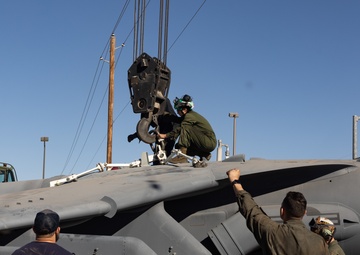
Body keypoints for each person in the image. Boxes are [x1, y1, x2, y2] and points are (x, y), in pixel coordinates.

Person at [226, 168, 330, 255]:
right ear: (305, 212)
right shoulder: (320, 242)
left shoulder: (272, 232)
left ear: (282, 211)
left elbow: (252, 211)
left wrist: (235, 181)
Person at [157, 94, 216, 163]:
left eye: (178, 110)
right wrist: (167, 116)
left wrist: (165, 135)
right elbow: (179, 120)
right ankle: (204, 154)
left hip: (209, 142)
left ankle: (182, 157)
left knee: (185, 128)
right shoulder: (189, 116)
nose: (177, 113)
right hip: (206, 142)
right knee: (178, 146)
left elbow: (180, 128)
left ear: (184, 110)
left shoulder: (189, 116)